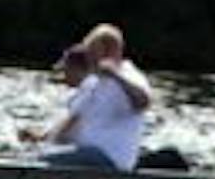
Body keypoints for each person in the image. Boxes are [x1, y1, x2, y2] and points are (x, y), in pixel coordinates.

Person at [21, 23, 152, 170]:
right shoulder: (92, 83)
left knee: (42, 161)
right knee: (33, 155)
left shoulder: (130, 75)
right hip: (86, 154)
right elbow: (71, 123)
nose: (88, 58)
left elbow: (143, 103)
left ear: (109, 51)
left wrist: (115, 75)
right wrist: (41, 138)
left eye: (92, 52)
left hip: (111, 158)